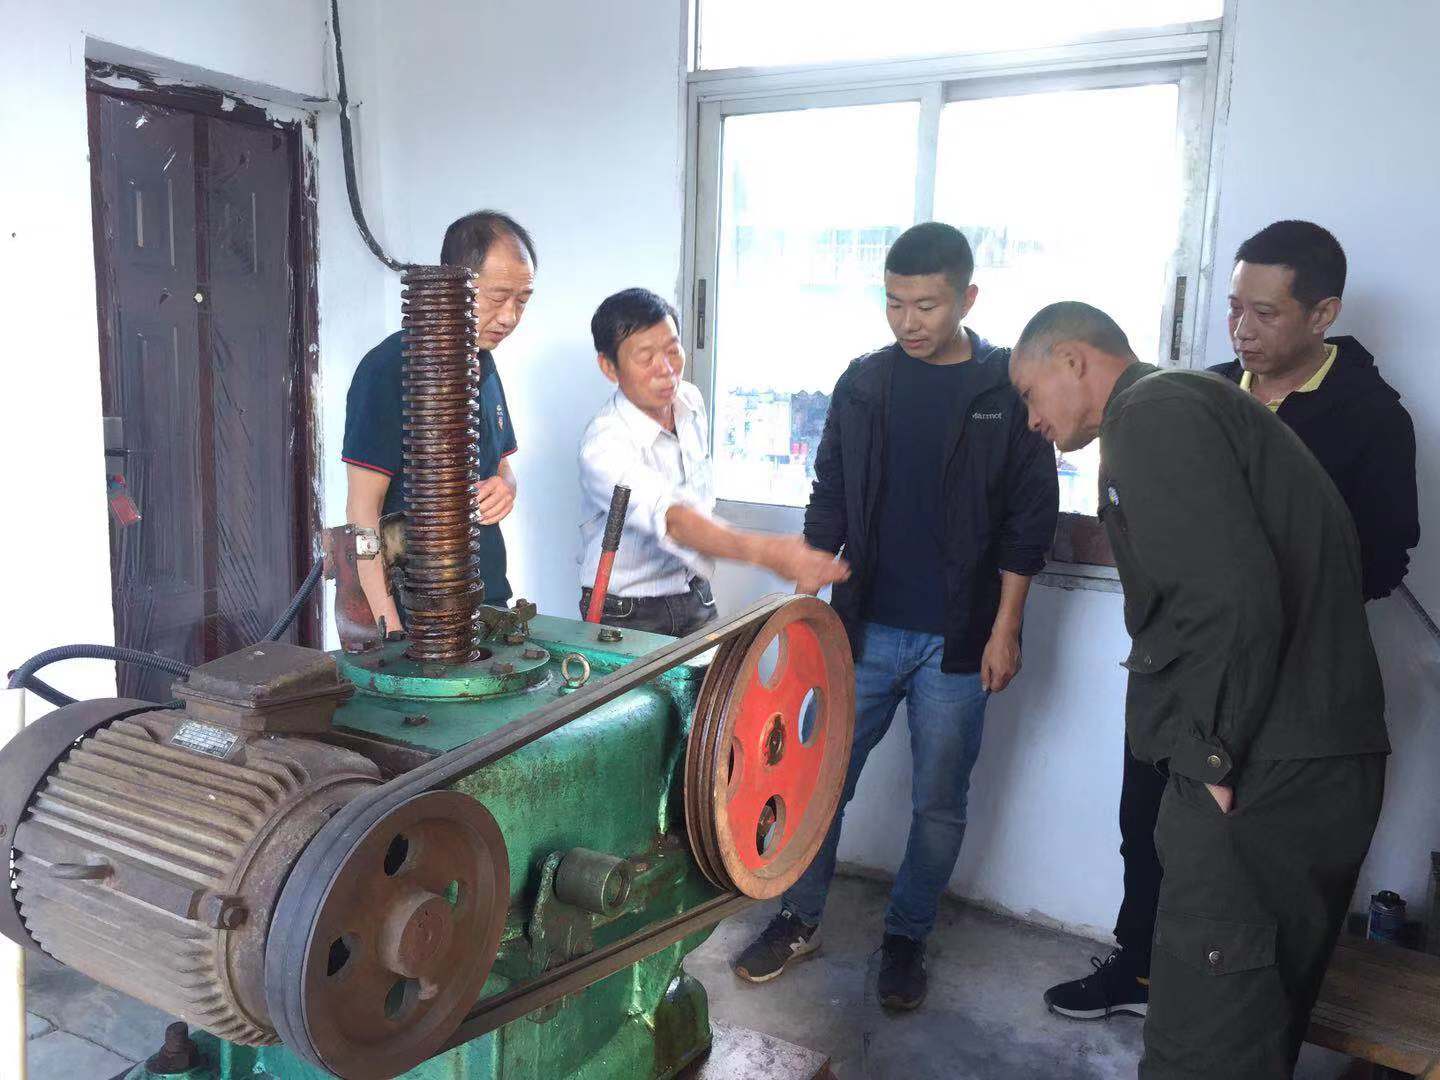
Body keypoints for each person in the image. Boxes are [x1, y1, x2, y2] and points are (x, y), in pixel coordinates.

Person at [1042, 222, 1419, 1025]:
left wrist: (1281, 576)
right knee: (1148, 825)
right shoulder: (1197, 394)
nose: (1242, 329)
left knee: (1238, 872)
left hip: (1284, 692)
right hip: (1181, 670)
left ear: (1323, 315)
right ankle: (1140, 967)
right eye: (1234, 308)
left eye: (1265, 313)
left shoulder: (1369, 417)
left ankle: (1211, 1003)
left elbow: (1384, 556)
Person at [732, 223, 1059, 1011]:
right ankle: (800, 918)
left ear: (967, 298)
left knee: (938, 803)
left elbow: (1029, 520)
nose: (908, 321)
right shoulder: (864, 383)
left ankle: (907, 937)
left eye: (926, 305)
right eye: (893, 303)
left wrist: (1005, 629)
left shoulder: (1003, 388)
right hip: (863, 633)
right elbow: (830, 498)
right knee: (819, 783)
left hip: (960, 642)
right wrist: (805, 605)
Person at [577, 288, 849, 635]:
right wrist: (767, 551)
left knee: (719, 674)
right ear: (608, 366)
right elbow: (673, 519)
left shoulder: (689, 401)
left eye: (673, 350)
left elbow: (695, 499)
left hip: (695, 595)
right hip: (626, 610)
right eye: (645, 357)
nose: (667, 370)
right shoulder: (603, 444)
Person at [342, 211, 535, 632]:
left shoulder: (483, 363)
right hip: (418, 610)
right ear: (454, 283)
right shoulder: (388, 370)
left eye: (522, 300)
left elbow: (500, 464)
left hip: (487, 597)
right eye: (498, 297)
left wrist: (507, 487)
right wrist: (389, 626)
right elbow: (362, 511)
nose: (509, 316)